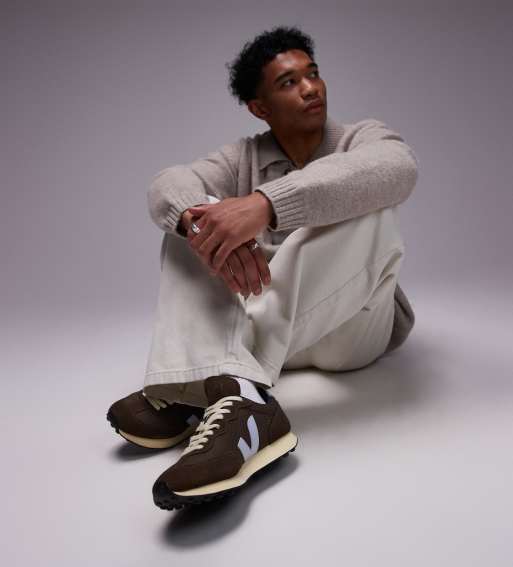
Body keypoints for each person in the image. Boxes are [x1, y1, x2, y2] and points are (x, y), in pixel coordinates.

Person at [106, 25, 419, 510]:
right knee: (193, 221)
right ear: (260, 108)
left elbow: (399, 166)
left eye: (313, 74)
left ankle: (199, 384)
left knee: (373, 206)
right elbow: (167, 183)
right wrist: (198, 222)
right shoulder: (241, 158)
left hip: (353, 331)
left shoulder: (360, 137)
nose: (311, 88)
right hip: (272, 329)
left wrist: (265, 204)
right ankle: (243, 401)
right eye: (289, 82)